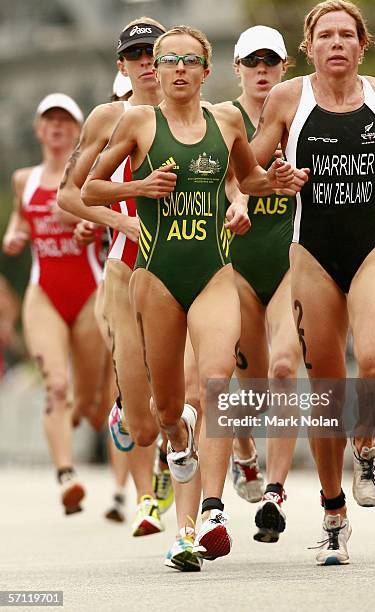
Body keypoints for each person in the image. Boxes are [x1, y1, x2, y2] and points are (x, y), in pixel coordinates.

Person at [81, 24, 307, 562]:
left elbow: (246, 179)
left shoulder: (226, 120)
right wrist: (139, 187)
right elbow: (90, 188)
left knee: (214, 383)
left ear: (206, 72)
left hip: (214, 271)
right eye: (169, 60)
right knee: (166, 410)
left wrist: (274, 182)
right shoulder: (138, 121)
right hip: (157, 278)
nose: (179, 68)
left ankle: (210, 510)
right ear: (155, 74)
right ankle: (177, 448)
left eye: (189, 60)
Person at [248, 0, 375, 565]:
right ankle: (333, 513)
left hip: (371, 248)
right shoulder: (290, 99)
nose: (336, 43)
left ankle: (366, 438)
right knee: (326, 389)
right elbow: (250, 170)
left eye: (346, 35)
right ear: (308, 47)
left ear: (362, 45)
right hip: (310, 254)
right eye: (325, 35)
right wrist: (269, 182)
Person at [58, 18, 202, 571]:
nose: (148, 62)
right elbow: (71, 194)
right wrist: (119, 224)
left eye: (156, 53)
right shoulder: (110, 117)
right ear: (123, 66)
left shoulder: (197, 116)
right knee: (143, 426)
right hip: (126, 270)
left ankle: (194, 516)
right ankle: (129, 414)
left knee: (191, 390)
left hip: (189, 270)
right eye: (136, 55)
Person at [2, 93, 111, 515]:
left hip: (89, 293)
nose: (57, 127)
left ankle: (88, 419)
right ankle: (66, 474)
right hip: (43, 292)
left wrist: (90, 221)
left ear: (79, 130)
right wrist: (15, 234)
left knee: (87, 400)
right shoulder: (22, 179)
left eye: (66, 120)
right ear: (38, 129)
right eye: (49, 120)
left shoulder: (89, 177)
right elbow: (19, 215)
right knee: (56, 386)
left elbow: (108, 214)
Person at [222, 26, 301, 543]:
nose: (263, 70)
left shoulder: (302, 117)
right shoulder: (222, 118)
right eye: (253, 62)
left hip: (292, 262)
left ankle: (274, 492)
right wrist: (239, 202)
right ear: (237, 69)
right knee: (249, 392)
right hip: (239, 266)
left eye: (271, 61)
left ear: (285, 67)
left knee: (283, 366)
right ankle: (243, 451)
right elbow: (228, 177)